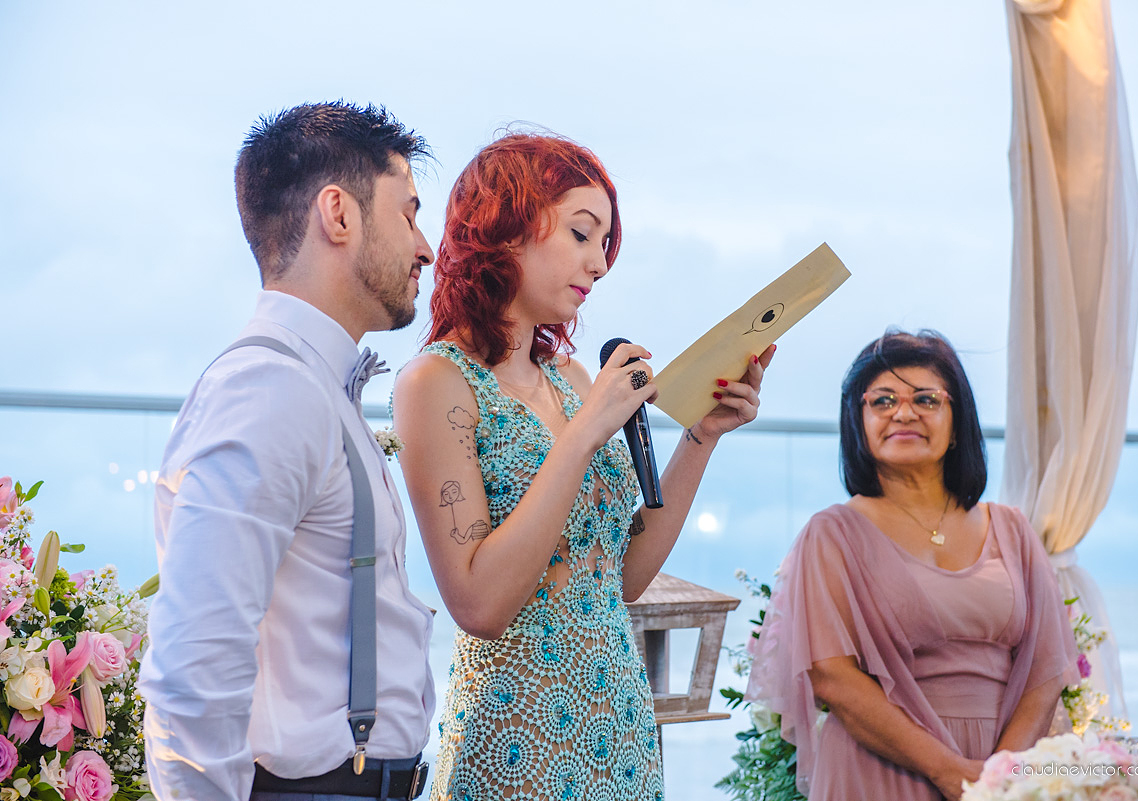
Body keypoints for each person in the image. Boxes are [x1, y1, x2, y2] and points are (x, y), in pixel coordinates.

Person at [390, 132, 774, 800]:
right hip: (516, 740)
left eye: (605, 244)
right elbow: (478, 602)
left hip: (620, 725)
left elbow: (618, 577)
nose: (598, 263)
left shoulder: (570, 375)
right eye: (581, 232)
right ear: (504, 225)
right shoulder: (436, 382)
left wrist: (701, 438)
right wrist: (586, 430)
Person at [140, 102, 438, 801]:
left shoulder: (312, 385)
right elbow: (192, 672)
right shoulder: (270, 389)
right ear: (338, 214)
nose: (426, 246)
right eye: (409, 213)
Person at [746, 330, 1078, 801]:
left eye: (926, 399)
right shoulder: (832, 533)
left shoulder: (1012, 528)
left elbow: (1047, 672)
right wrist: (947, 770)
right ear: (857, 422)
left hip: (1004, 770)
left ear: (957, 420)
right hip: (879, 766)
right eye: (882, 401)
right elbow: (831, 677)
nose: (904, 413)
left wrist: (998, 778)